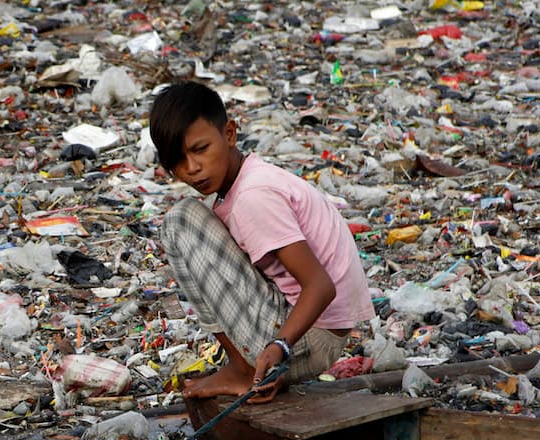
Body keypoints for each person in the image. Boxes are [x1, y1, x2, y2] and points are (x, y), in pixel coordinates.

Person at [149, 81, 375, 402]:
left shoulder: (252, 196)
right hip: (311, 330)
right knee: (193, 218)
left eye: (200, 150)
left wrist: (279, 346)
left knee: (181, 220)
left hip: (310, 339)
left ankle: (243, 369)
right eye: (177, 160)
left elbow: (321, 286)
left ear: (229, 133)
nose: (192, 168)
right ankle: (239, 365)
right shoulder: (245, 182)